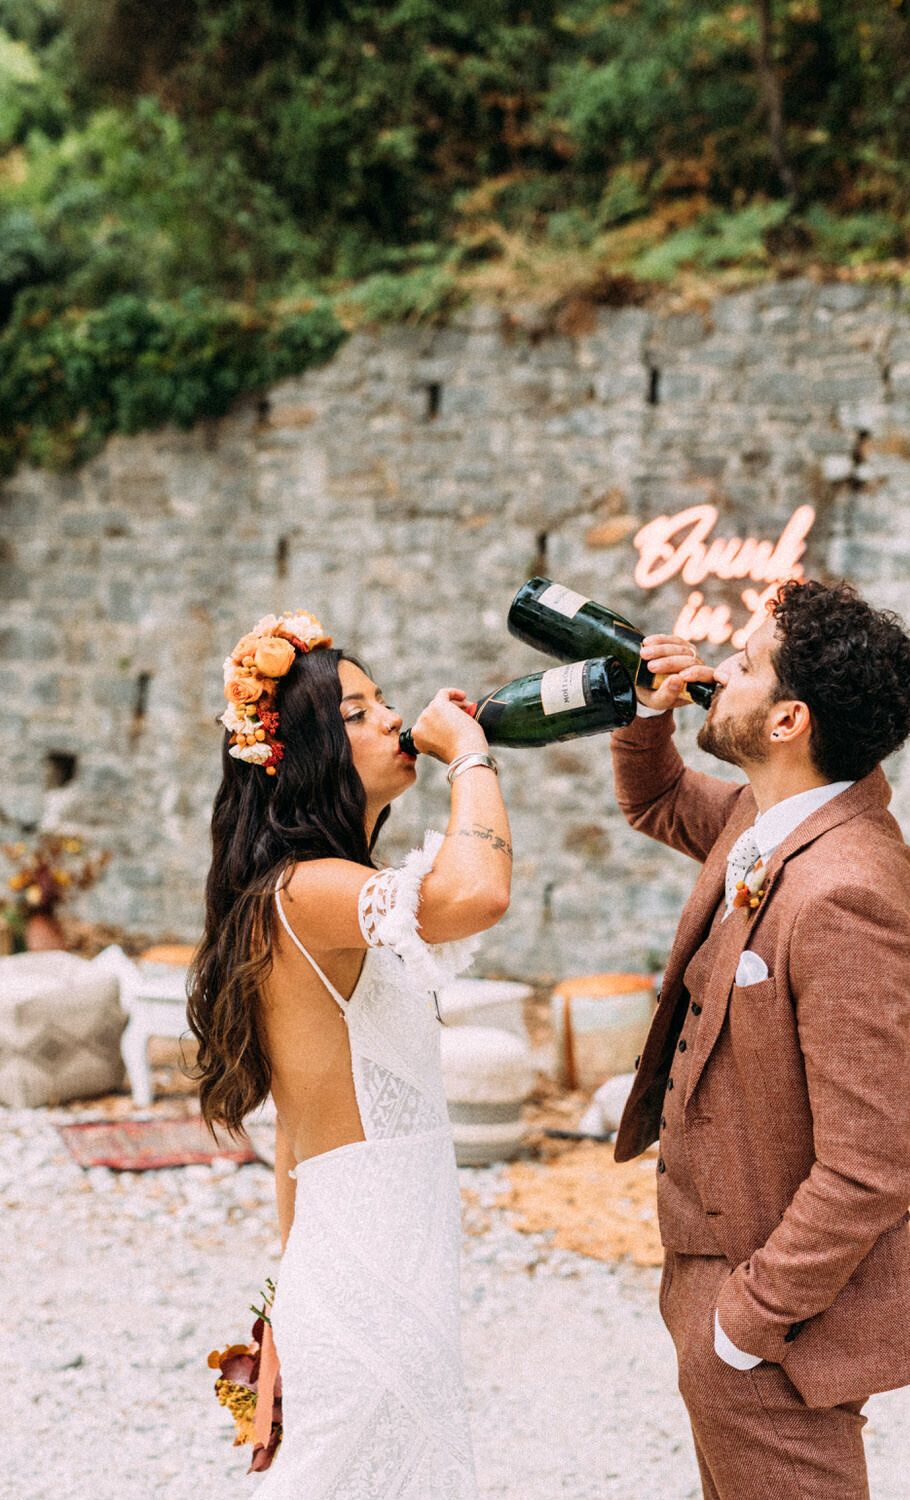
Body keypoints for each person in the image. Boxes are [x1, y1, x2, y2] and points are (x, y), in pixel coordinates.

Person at [610, 579, 910, 1499]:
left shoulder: (847, 892)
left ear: (788, 719)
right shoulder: (771, 814)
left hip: (775, 1332)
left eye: (744, 665)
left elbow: (869, 1166)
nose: (718, 671)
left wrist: (743, 1323)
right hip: (712, 1284)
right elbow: (657, 801)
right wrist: (646, 712)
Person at [187, 609, 512, 1497]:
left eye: (381, 704)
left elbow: (292, 1138)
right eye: (360, 712)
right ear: (314, 753)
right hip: (374, 1269)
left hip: (370, 1263)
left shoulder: (320, 892)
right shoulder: (307, 890)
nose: (391, 721)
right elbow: (479, 891)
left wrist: (287, 1310)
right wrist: (471, 756)